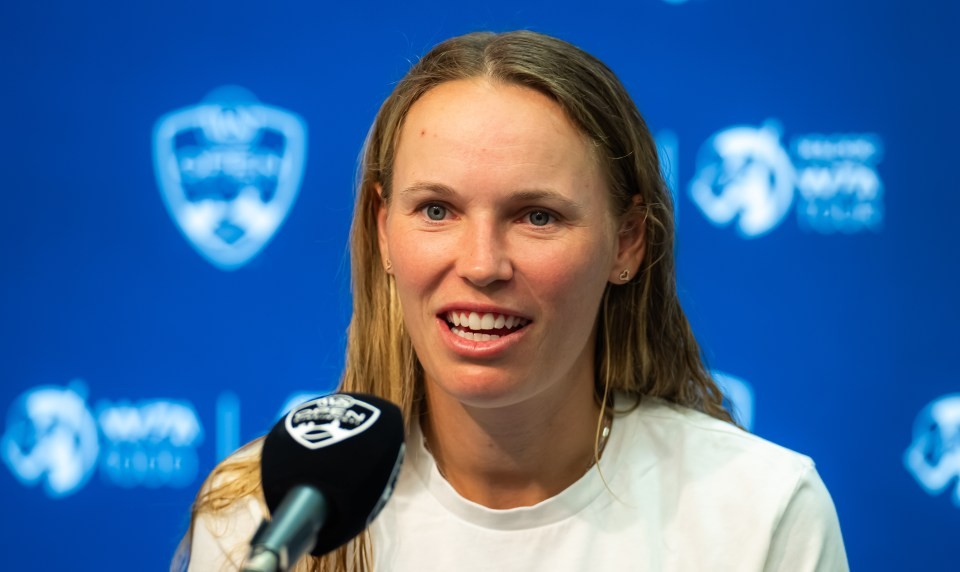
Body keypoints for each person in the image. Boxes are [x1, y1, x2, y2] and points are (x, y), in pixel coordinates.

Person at [176, 30, 848, 572]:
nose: (481, 265)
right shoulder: (266, 518)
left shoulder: (760, 512)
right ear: (383, 231)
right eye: (436, 210)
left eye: (537, 217)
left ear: (627, 242)